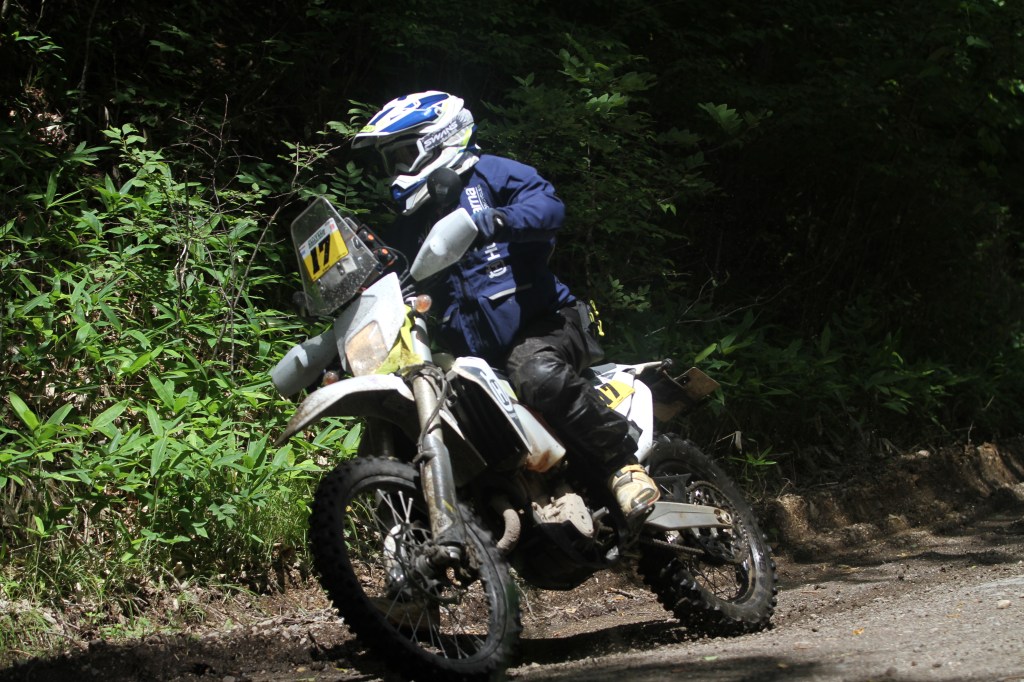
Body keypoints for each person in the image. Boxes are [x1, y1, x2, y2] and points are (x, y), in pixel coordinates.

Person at [352, 90, 659, 520]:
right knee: (422, 401)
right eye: (392, 161)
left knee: (534, 371)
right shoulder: (411, 225)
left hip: (546, 324)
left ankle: (621, 465)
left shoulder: (490, 173)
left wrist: (499, 219)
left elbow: (548, 206)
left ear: (438, 140)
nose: (398, 170)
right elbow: (391, 274)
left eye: (404, 155)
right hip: (474, 358)